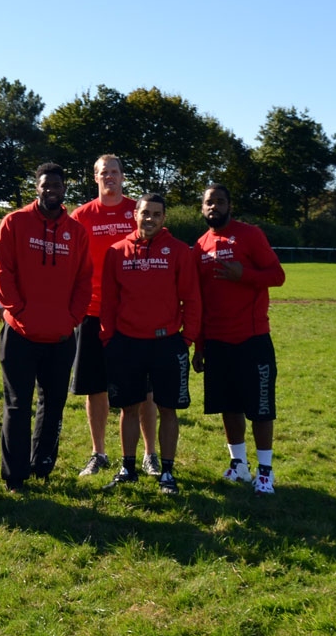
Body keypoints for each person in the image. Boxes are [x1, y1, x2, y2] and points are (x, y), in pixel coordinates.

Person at [0, 163, 92, 491]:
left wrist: (72, 318)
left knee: (53, 404)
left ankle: (42, 464)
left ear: (65, 189)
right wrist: (18, 311)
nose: (51, 189)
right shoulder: (15, 222)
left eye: (57, 185)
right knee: (18, 405)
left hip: (61, 335)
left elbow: (83, 280)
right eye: (45, 184)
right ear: (36, 187)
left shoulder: (75, 231)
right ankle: (15, 475)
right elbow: (2, 271)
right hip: (19, 333)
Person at [99, 193, 200, 495]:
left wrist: (186, 339)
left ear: (164, 218)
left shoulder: (179, 251)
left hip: (166, 343)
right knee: (128, 408)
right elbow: (108, 301)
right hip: (127, 344)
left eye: (157, 214)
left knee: (168, 409)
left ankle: (167, 472)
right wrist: (108, 337)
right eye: (145, 213)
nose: (150, 219)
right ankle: (127, 467)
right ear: (135, 215)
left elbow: (192, 298)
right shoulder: (116, 252)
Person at [193, 182, 287, 495]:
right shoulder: (200, 246)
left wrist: (243, 275)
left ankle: (265, 472)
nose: (213, 207)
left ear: (229, 206)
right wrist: (200, 346)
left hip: (252, 339)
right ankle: (239, 465)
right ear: (202, 207)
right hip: (217, 342)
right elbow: (201, 300)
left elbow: (277, 275)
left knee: (260, 408)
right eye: (209, 202)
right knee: (228, 407)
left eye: (219, 201)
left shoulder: (250, 234)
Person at [70, 154, 160, 478]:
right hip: (93, 313)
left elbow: (162, 252)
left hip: (134, 315)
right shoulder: (81, 216)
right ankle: (99, 453)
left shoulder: (141, 211)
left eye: (114, 172)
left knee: (144, 389)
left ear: (123, 176)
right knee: (95, 388)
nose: (109, 177)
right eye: (103, 172)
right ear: (95, 178)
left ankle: (149, 454)